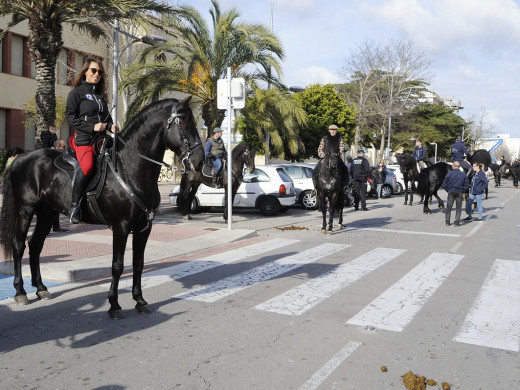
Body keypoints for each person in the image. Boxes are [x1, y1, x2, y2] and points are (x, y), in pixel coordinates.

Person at [65, 57, 116, 224]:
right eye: (94, 70)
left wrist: (111, 126)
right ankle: (74, 207)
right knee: (86, 166)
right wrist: (92, 126)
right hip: (84, 140)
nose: (97, 74)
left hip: (102, 141)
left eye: (100, 72)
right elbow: (70, 117)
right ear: (85, 71)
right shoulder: (76, 93)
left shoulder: (100, 96)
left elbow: (106, 119)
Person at [442, 161, 469, 226]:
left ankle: (447, 222)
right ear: (459, 167)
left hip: (451, 192)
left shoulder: (449, 174)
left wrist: (448, 190)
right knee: (458, 208)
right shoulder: (463, 174)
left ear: (453, 166)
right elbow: (466, 185)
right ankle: (456, 222)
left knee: (449, 207)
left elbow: (444, 184)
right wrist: (464, 192)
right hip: (459, 192)